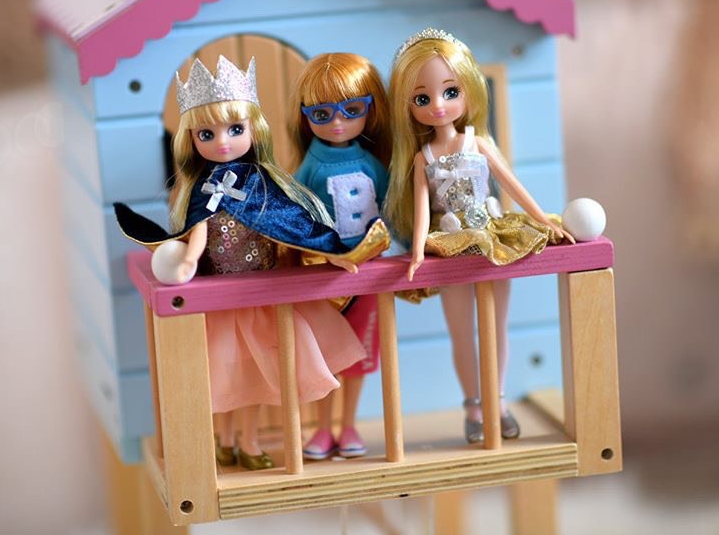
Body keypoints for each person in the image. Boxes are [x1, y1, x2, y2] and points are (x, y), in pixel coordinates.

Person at [115, 55, 389, 469]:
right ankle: (225, 440)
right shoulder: (203, 188)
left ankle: (249, 440)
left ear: (253, 130)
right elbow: (198, 228)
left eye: (235, 129)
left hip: (262, 298)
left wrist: (333, 250)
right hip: (224, 302)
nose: (223, 143)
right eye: (207, 134)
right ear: (191, 139)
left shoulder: (263, 183)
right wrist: (188, 261)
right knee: (229, 377)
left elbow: (291, 223)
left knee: (260, 377)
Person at [383, 29, 573, 443]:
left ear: (468, 89)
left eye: (450, 92)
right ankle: (473, 405)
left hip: (491, 238)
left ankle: (497, 401)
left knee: (496, 325)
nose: (438, 105)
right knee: (460, 331)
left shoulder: (478, 143)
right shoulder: (423, 158)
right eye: (422, 98)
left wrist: (542, 218)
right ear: (407, 107)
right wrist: (417, 252)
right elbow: (421, 210)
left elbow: (513, 185)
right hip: (450, 245)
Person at [289, 53, 390, 460]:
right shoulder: (310, 167)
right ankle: (322, 427)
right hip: (325, 273)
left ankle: (348, 423)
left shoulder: (372, 164)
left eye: (351, 111)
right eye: (321, 113)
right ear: (305, 116)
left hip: (367, 271)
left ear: (369, 110)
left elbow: (393, 206)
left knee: (361, 351)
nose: (337, 123)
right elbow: (296, 212)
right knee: (325, 353)